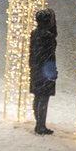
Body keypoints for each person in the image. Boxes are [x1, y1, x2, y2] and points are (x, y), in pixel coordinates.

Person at [28, 8, 60, 136]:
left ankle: (39, 123)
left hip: (36, 67)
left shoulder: (35, 33)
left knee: (38, 96)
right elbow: (49, 53)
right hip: (46, 68)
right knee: (43, 97)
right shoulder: (48, 36)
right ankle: (40, 125)